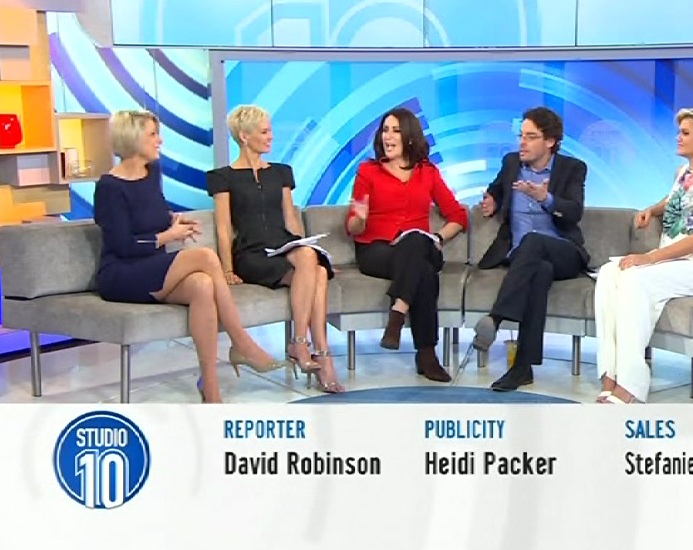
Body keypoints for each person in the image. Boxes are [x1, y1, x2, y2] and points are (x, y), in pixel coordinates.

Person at [93, 110, 289, 404]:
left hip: (150, 266)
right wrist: (168, 236)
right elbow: (122, 244)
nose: (160, 140)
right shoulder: (109, 187)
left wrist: (174, 222)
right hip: (121, 274)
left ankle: (210, 387)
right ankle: (241, 343)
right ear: (132, 138)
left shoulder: (152, 173)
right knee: (206, 257)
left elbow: (154, 217)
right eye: (152, 134)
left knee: (202, 285)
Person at [595, 105, 693, 404]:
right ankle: (611, 374)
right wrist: (651, 209)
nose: (678, 137)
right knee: (608, 274)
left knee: (634, 279)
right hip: (675, 262)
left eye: (685, 133)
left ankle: (632, 385)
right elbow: (676, 198)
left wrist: (650, 258)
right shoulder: (683, 173)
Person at [207, 105, 344, 394]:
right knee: (317, 273)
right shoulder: (222, 177)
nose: (271, 137)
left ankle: (306, 346)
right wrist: (227, 269)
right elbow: (223, 227)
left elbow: (291, 219)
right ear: (244, 136)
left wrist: (309, 252)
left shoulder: (281, 172)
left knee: (316, 267)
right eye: (265, 132)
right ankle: (316, 354)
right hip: (251, 254)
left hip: (283, 247)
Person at [346, 106, 468, 382]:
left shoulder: (428, 172)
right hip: (377, 250)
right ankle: (427, 355)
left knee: (416, 239)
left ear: (410, 137)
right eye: (385, 130)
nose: (388, 136)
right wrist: (359, 219)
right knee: (424, 272)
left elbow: (458, 216)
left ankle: (397, 313)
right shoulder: (367, 172)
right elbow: (353, 226)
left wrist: (438, 238)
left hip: (420, 245)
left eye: (396, 131)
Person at [472, 107, 590, 392]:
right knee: (539, 271)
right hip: (523, 257)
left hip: (563, 251)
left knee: (534, 242)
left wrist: (545, 198)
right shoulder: (511, 162)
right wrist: (492, 199)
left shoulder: (573, 168)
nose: (522, 143)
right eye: (521, 136)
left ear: (550, 141)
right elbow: (497, 188)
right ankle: (522, 368)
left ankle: (496, 317)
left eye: (531, 137)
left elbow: (574, 212)